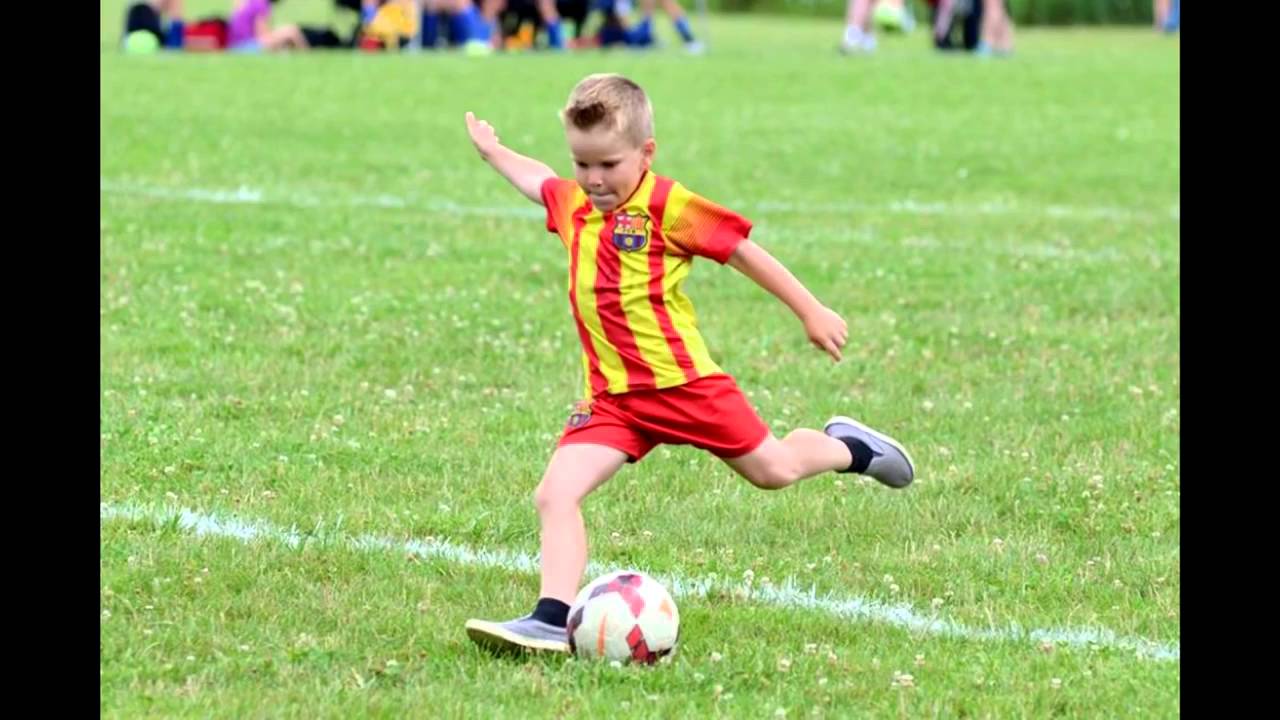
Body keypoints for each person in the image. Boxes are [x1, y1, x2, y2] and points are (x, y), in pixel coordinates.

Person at [460, 73, 916, 654]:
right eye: (583, 164)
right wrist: (496, 152)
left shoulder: (669, 206)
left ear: (646, 154)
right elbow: (539, 181)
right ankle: (552, 618)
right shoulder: (574, 201)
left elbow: (743, 252)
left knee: (773, 471)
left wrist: (810, 309)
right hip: (613, 400)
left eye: (609, 164)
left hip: (686, 387)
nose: (595, 179)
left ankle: (849, 448)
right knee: (555, 493)